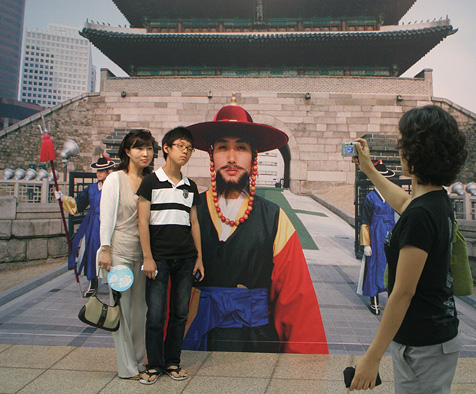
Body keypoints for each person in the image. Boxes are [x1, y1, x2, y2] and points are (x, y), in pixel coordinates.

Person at [183, 100, 328, 354]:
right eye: (222, 148)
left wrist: (304, 370)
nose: (231, 158)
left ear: (253, 157)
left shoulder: (273, 218)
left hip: (255, 343)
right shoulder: (188, 211)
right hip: (195, 341)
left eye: (241, 148)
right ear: (211, 155)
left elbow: (295, 299)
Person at [349, 105, 468, 393]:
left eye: (404, 142)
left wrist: (372, 357)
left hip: (423, 345)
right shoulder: (436, 201)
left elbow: (403, 292)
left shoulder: (420, 215)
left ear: (418, 150)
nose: (401, 149)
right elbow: (404, 202)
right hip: (434, 337)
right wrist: (369, 170)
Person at [137, 126, 204, 385]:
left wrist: (199, 257)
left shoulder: (191, 186)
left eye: (189, 148)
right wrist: (148, 257)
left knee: (179, 314)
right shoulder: (151, 182)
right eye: (180, 146)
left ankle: (172, 361)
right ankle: (153, 364)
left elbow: (194, 223)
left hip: (185, 259)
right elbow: (143, 222)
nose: (185, 152)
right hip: (159, 259)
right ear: (166, 148)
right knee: (155, 314)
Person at [98, 129, 155, 380]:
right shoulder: (115, 179)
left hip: (143, 255)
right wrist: (105, 249)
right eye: (139, 148)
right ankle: (127, 368)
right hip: (119, 254)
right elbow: (106, 216)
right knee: (122, 309)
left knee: (139, 311)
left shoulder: (151, 180)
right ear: (127, 151)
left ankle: (139, 362)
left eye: (149, 148)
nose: (145, 153)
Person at [62, 154, 114, 297]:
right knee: (92, 252)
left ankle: (115, 284)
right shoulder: (91, 188)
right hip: (94, 223)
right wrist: (62, 198)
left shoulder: (114, 187)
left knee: (111, 251)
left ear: (109, 171)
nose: (98, 173)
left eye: (102, 170)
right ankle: (93, 283)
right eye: (97, 171)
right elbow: (78, 204)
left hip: (110, 222)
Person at [358, 160, 398, 315]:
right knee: (374, 266)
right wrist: (366, 244)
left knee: (392, 266)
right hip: (375, 234)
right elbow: (365, 222)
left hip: (390, 231)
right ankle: (374, 300)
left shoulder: (392, 195)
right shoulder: (370, 198)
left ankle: (392, 300)